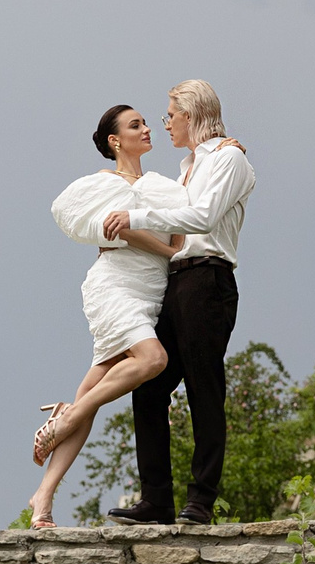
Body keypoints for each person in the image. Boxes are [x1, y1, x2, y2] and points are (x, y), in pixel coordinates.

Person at [27, 105, 191, 528]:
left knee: (90, 396)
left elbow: (181, 228)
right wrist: (169, 251)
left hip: (151, 292)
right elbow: (119, 230)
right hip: (115, 287)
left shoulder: (163, 186)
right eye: (136, 125)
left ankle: (42, 498)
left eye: (147, 122)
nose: (147, 128)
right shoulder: (99, 185)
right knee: (153, 360)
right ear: (115, 140)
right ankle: (72, 414)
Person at [99, 79, 254, 525]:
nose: (164, 124)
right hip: (178, 281)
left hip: (209, 280)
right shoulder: (187, 167)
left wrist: (135, 217)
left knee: (204, 389)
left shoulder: (229, 159)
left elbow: (202, 217)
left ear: (191, 114)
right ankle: (157, 500)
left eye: (168, 115)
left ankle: (200, 501)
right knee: (148, 387)